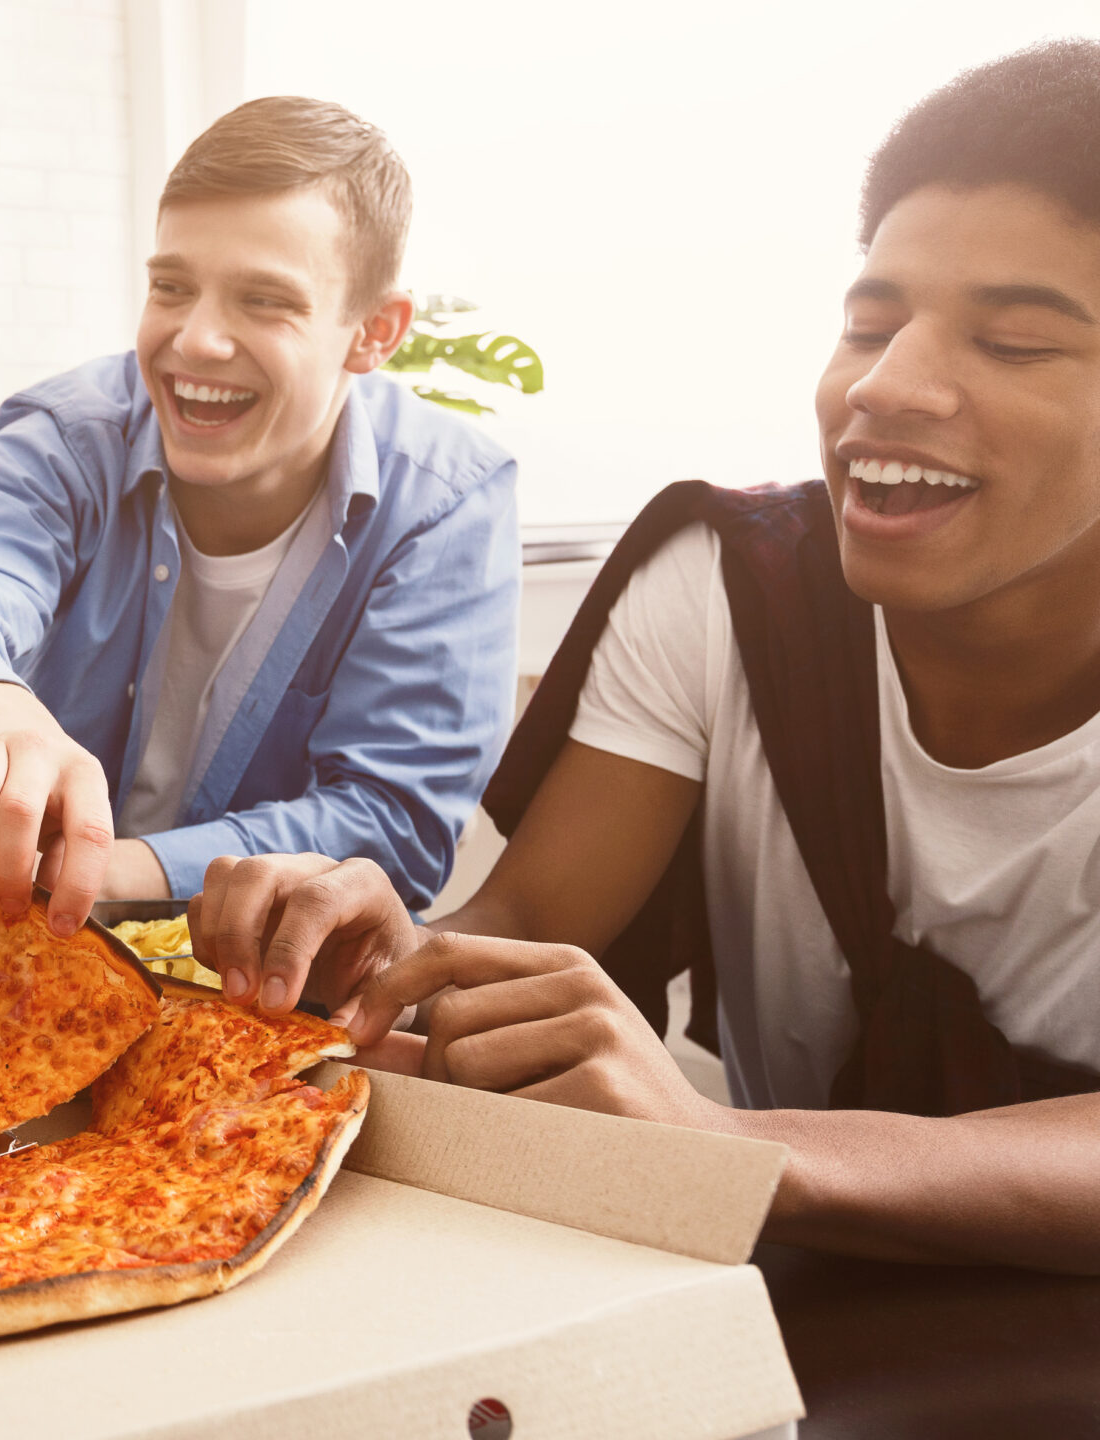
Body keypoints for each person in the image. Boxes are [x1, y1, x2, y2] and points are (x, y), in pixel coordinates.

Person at [193, 43, 1100, 1273]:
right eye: (868, 322)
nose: (886, 386)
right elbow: (522, 925)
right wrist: (381, 955)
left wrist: (732, 1148)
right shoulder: (731, 587)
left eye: (1016, 345)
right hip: (762, 1322)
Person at [0, 96, 520, 958]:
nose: (195, 340)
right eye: (171, 286)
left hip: (252, 995)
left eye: (264, 301)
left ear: (374, 333)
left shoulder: (444, 502)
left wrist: (111, 868)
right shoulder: (72, 433)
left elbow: (393, 823)